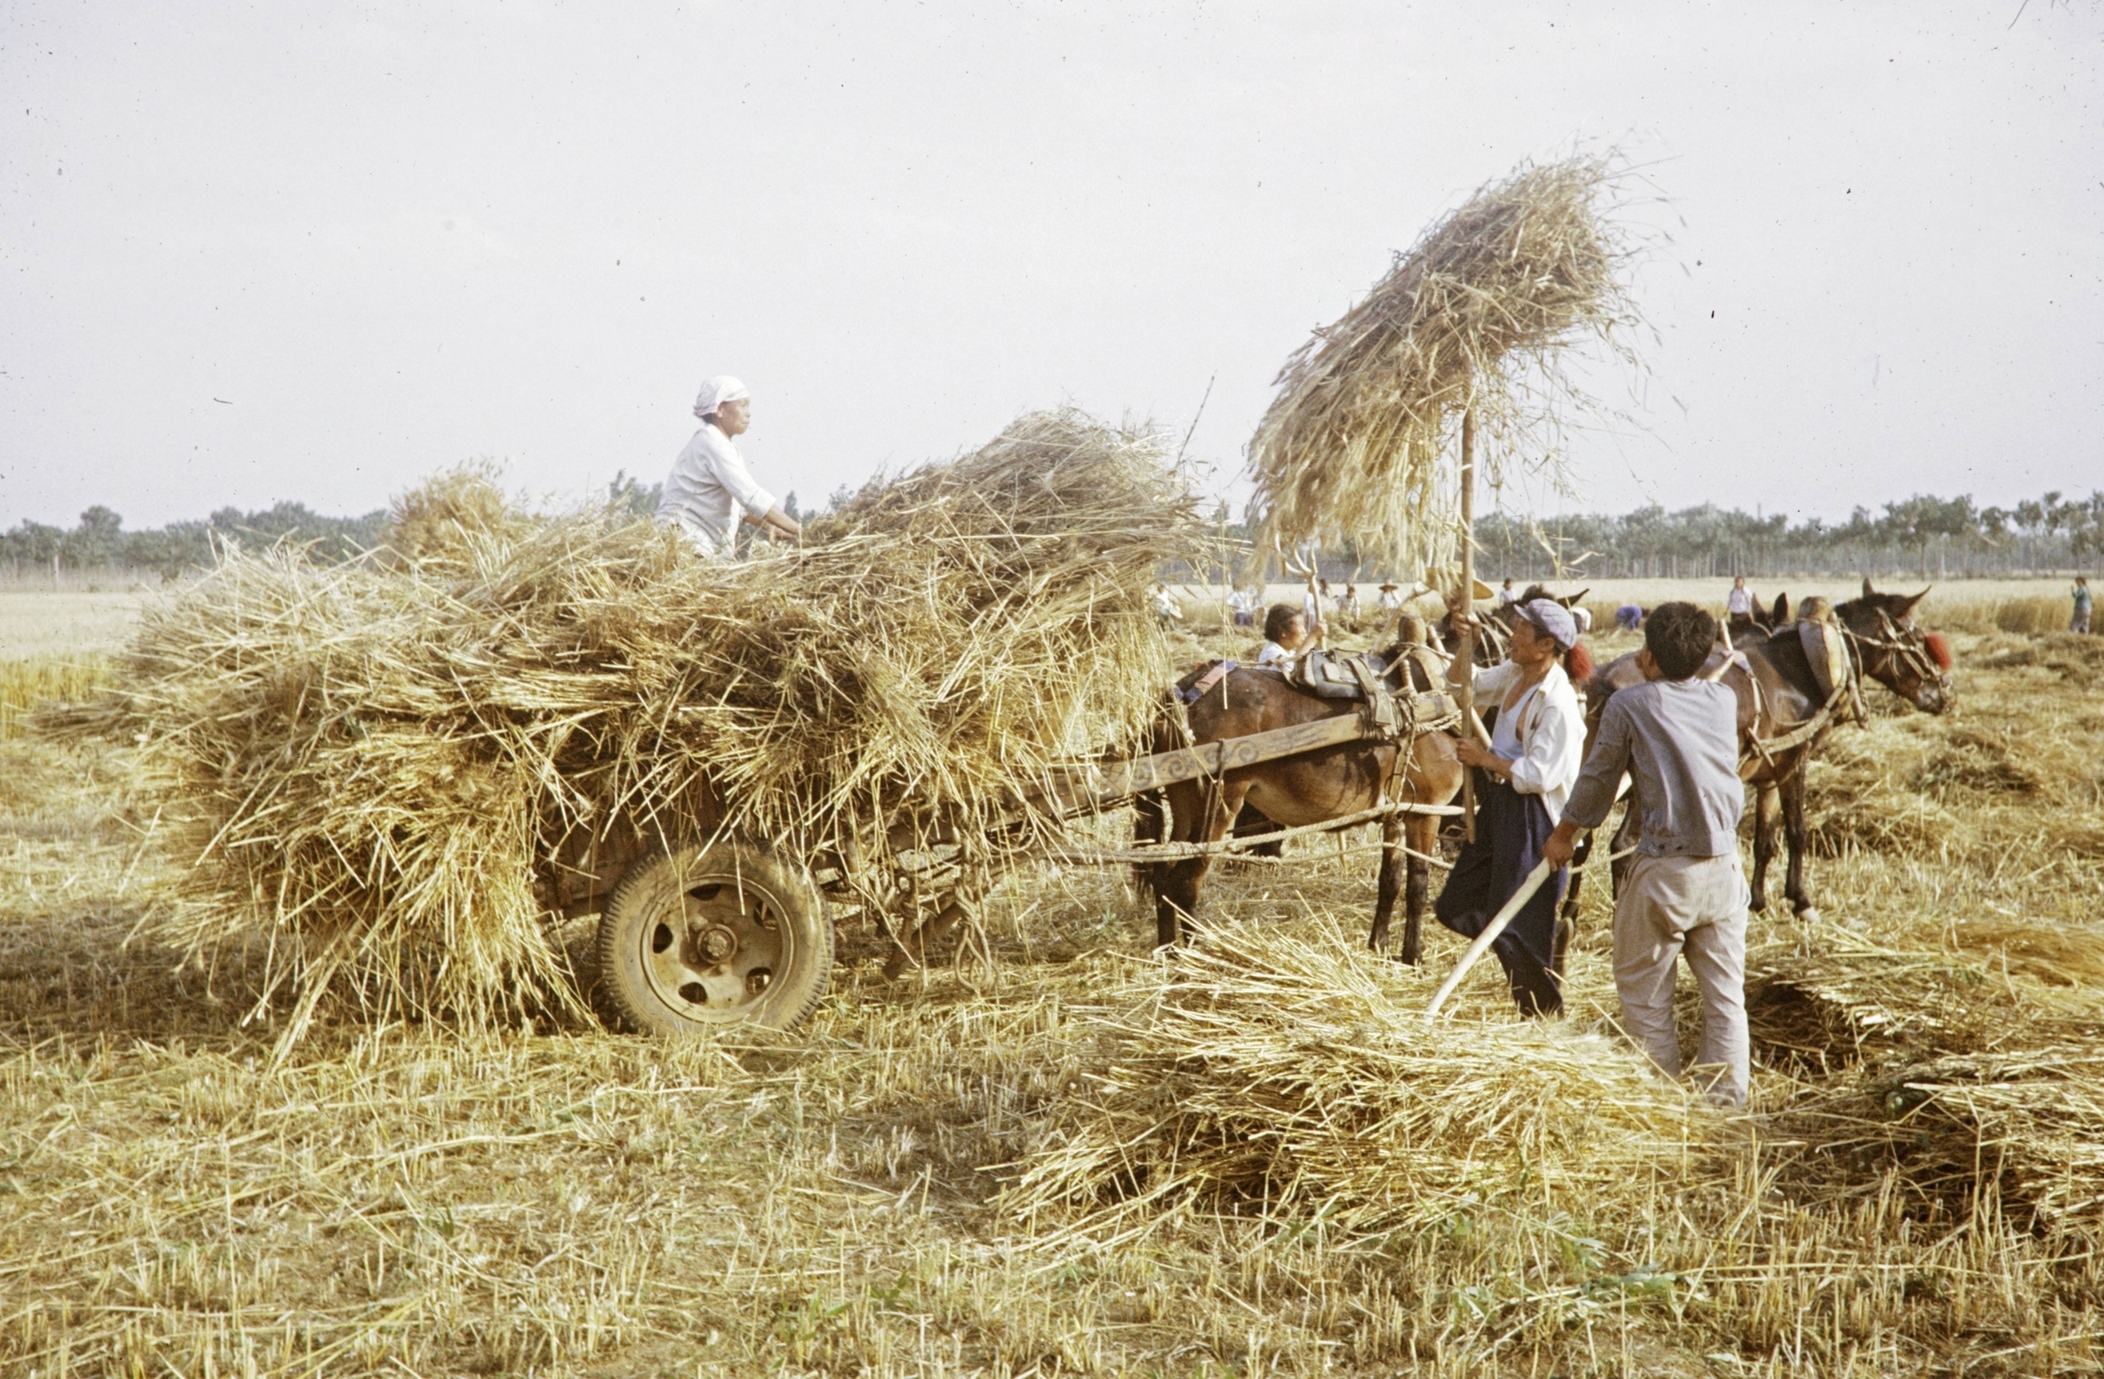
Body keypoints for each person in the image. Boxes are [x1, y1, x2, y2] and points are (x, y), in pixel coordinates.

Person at [1544, 601, 1750, 1108]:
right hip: (1724, 868)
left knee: (1644, 993)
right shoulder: (1723, 700)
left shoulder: (1630, 706)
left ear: (1650, 656)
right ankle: (1724, 1106)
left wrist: (1565, 834)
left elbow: (1597, 780)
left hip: (1667, 871)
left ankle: (1660, 1103)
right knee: (1725, 998)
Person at [1434, 598, 1587, 1017]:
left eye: (1521, 630)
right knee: (1455, 905)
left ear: (1545, 646)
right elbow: (1461, 686)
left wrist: (1484, 759)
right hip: (1501, 803)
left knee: (1516, 918)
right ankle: (1533, 941)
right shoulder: (1515, 674)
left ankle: (1542, 1013)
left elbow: (1540, 774)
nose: (1512, 635)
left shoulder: (1557, 703)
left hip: (1533, 814)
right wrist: (1468, 642)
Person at [658, 376, 802, 557]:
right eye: (743, 405)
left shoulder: (721, 444)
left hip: (698, 548)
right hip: (684, 543)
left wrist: (768, 526)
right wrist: (801, 532)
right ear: (719, 409)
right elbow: (751, 496)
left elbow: (738, 507)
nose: (748, 413)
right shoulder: (711, 442)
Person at [1256, 603, 1311, 671]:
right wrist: (1311, 640)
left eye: (1303, 625)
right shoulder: (1273, 653)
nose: (1304, 631)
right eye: (1300, 625)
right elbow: (1293, 675)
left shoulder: (1290, 652)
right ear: (1284, 632)